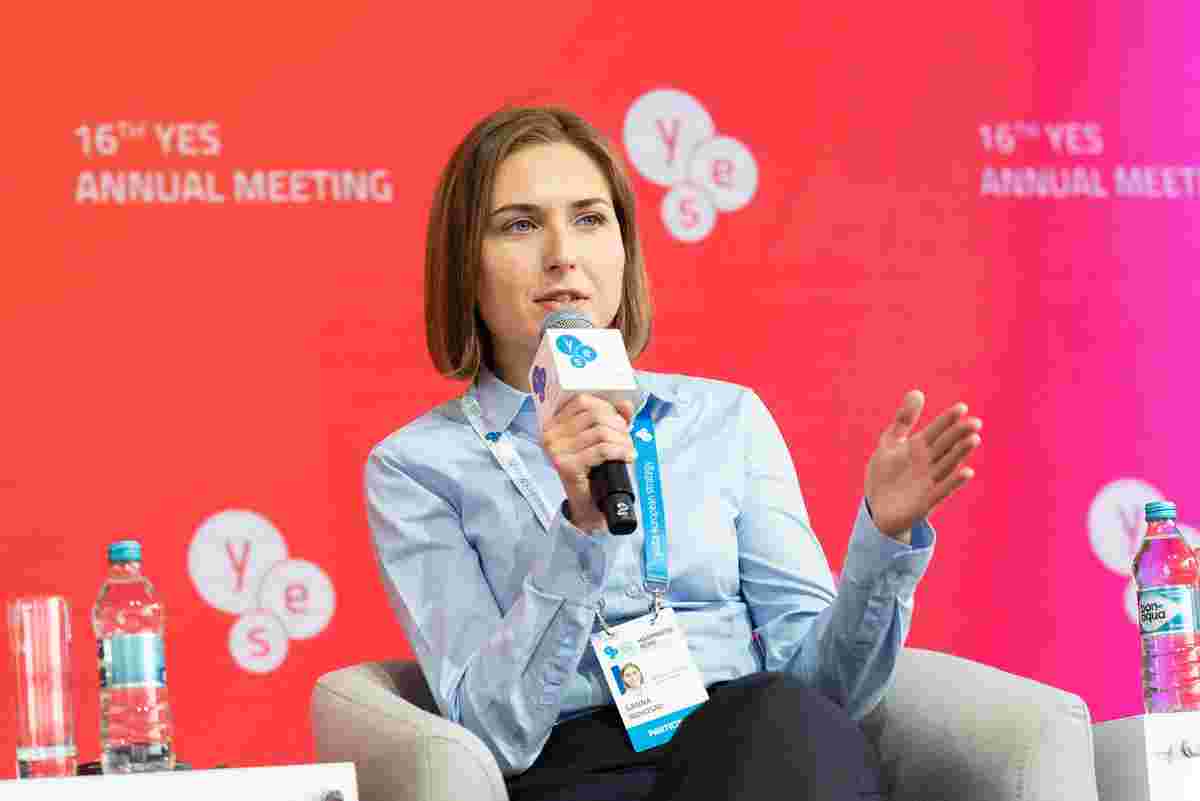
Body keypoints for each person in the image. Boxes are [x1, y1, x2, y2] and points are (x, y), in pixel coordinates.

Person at [365, 106, 983, 801]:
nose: (562, 253)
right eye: (520, 225)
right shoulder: (417, 468)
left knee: (784, 719)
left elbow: (828, 689)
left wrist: (884, 538)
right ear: (464, 266)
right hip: (578, 772)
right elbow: (492, 730)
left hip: (761, 747)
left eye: (590, 218)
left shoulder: (726, 419)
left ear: (624, 249)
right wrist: (580, 529)